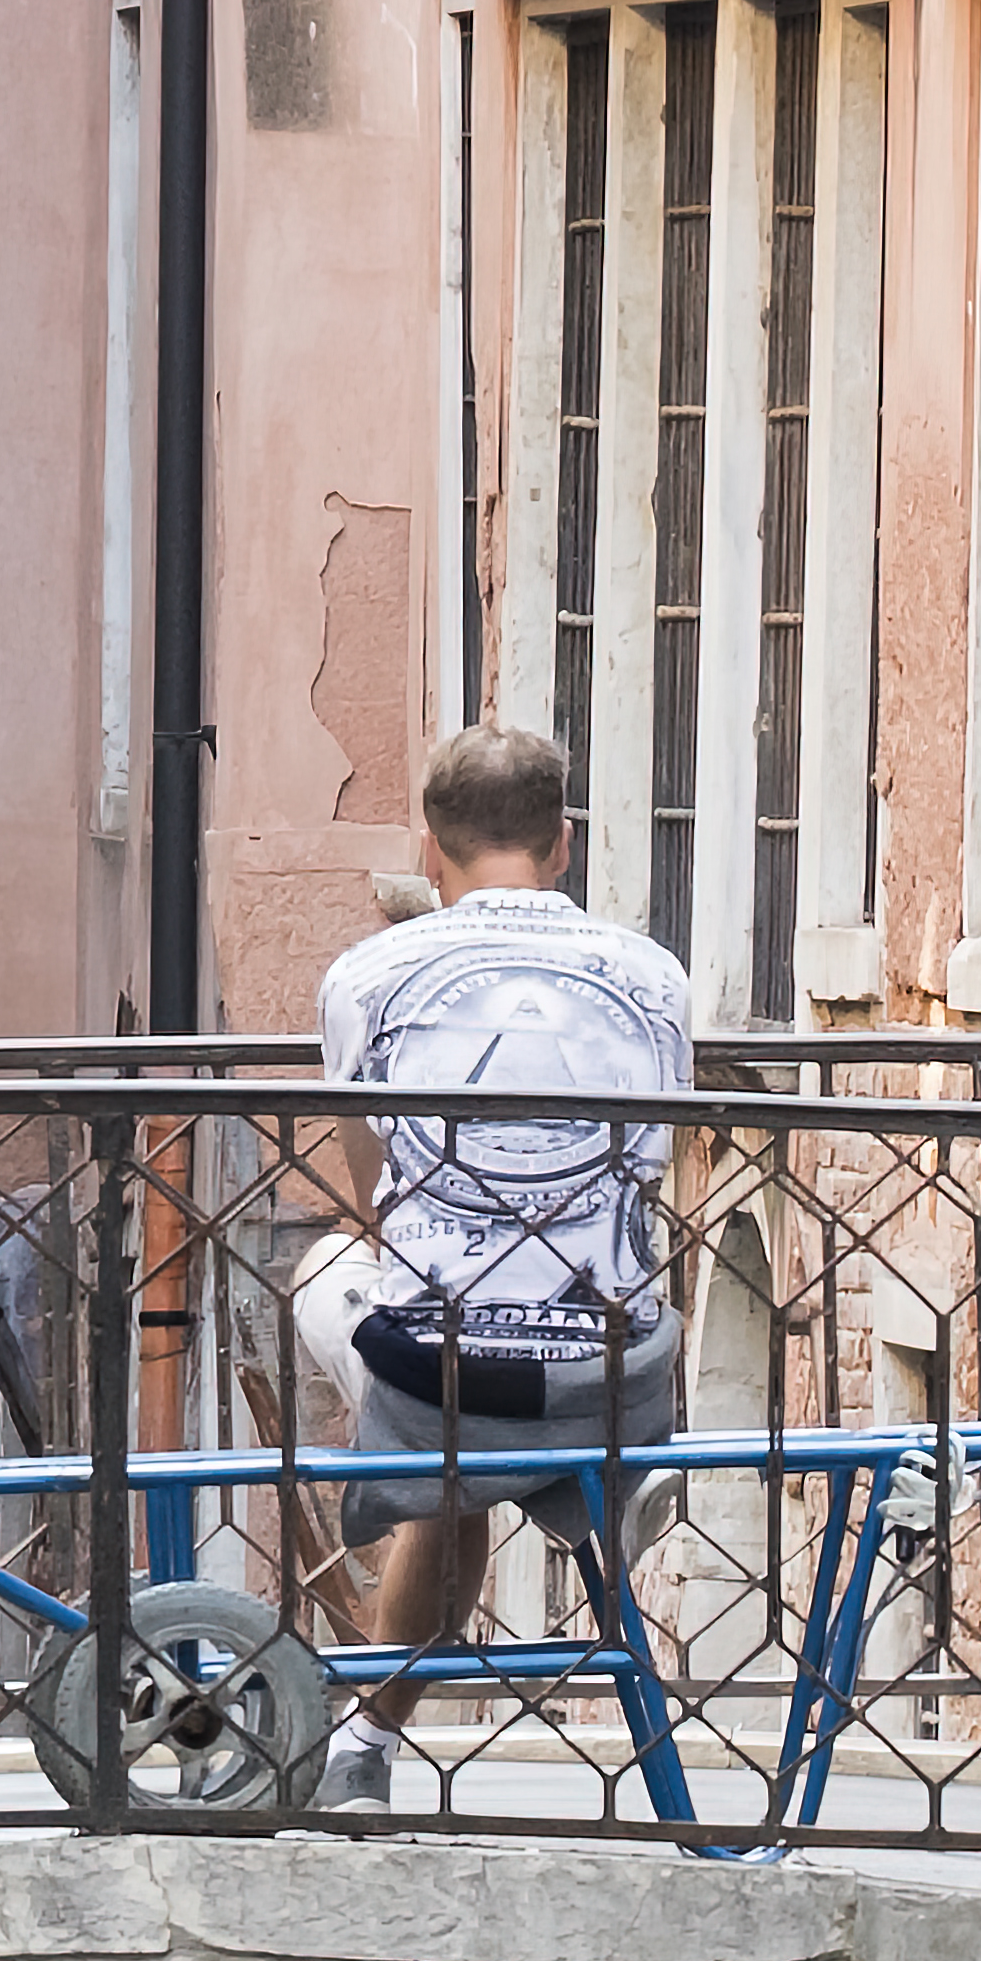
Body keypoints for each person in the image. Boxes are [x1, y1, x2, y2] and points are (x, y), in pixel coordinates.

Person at [288, 723, 698, 1799]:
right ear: (563, 843)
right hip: (615, 1367)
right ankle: (585, 1475)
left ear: (431, 852)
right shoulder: (656, 978)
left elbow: (373, 1187)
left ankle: (367, 1733)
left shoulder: (366, 976)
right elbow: (652, 1155)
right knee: (468, 1403)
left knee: (332, 1275)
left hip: (441, 1375)